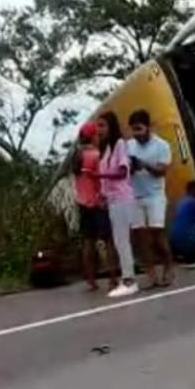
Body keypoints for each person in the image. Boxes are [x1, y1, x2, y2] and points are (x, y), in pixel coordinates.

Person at [125, 109, 174, 288]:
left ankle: (168, 265)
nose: (136, 134)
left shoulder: (161, 145)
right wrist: (131, 167)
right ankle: (151, 272)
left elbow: (161, 171)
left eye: (139, 129)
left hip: (155, 194)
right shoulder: (128, 146)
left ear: (148, 127)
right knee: (141, 237)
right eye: (133, 130)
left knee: (157, 234)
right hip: (135, 195)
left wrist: (144, 164)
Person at [95, 112, 138, 298]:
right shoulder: (106, 149)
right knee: (119, 241)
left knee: (122, 240)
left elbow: (122, 173)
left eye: (102, 125)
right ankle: (126, 277)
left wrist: (99, 177)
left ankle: (130, 280)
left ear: (111, 126)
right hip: (112, 199)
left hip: (122, 198)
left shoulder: (120, 144)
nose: (99, 130)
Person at [72, 122, 114, 291]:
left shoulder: (77, 156)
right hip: (98, 202)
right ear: (93, 136)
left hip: (82, 203)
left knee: (88, 242)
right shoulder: (96, 155)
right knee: (108, 240)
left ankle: (91, 279)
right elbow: (100, 180)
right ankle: (113, 276)